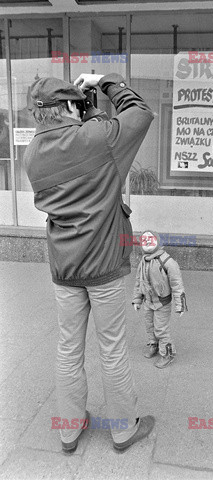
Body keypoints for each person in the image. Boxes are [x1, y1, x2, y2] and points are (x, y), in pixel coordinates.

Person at [24, 72, 155, 454]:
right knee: (111, 348)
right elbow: (140, 113)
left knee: (68, 348)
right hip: (103, 266)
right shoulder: (95, 140)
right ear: (68, 107)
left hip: (64, 267)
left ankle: (69, 430)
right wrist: (107, 81)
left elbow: (89, 143)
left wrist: (88, 111)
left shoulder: (32, 153)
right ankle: (122, 430)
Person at [132, 231, 187, 368]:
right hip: (148, 302)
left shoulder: (168, 262)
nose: (148, 243)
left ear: (158, 241)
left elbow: (177, 284)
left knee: (161, 329)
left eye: (151, 240)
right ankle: (153, 344)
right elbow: (139, 281)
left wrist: (180, 305)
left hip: (162, 303)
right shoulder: (143, 261)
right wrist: (137, 299)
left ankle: (168, 354)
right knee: (149, 326)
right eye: (145, 241)